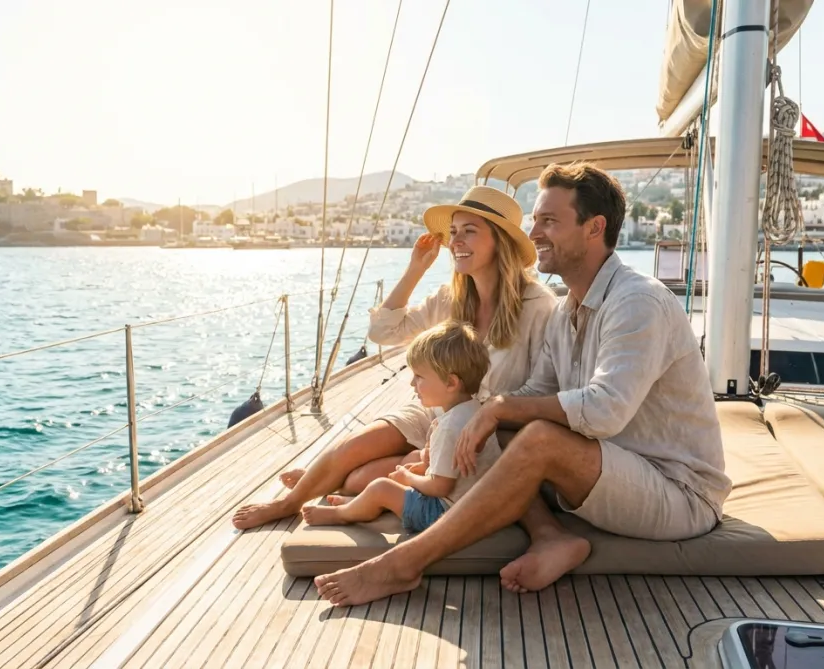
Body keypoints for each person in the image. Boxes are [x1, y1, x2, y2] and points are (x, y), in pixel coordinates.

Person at [313, 162, 732, 607]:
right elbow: (537, 392)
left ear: (595, 228)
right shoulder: (567, 310)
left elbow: (605, 410)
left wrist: (497, 409)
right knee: (506, 426)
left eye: (549, 220)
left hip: (677, 491)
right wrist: (482, 413)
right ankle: (548, 537)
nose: (534, 234)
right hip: (617, 468)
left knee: (537, 438)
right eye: (535, 220)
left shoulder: (636, 302)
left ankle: (404, 563)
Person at [232, 186, 555, 530]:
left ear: (500, 240)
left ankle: (338, 476)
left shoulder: (538, 305)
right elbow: (383, 333)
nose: (456, 241)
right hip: (436, 413)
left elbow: (545, 387)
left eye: (470, 231)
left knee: (358, 480)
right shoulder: (451, 297)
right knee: (350, 450)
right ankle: (290, 501)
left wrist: (486, 417)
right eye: (454, 232)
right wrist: (415, 269)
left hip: (488, 429)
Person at [302, 320, 502, 532]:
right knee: (406, 472)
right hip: (476, 505)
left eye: (419, 376)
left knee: (382, 487)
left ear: (451, 383)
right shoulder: (477, 413)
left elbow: (440, 486)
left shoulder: (449, 427)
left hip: (445, 514)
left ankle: (345, 514)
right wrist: (423, 468)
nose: (411, 383)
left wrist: (408, 478)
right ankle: (362, 503)